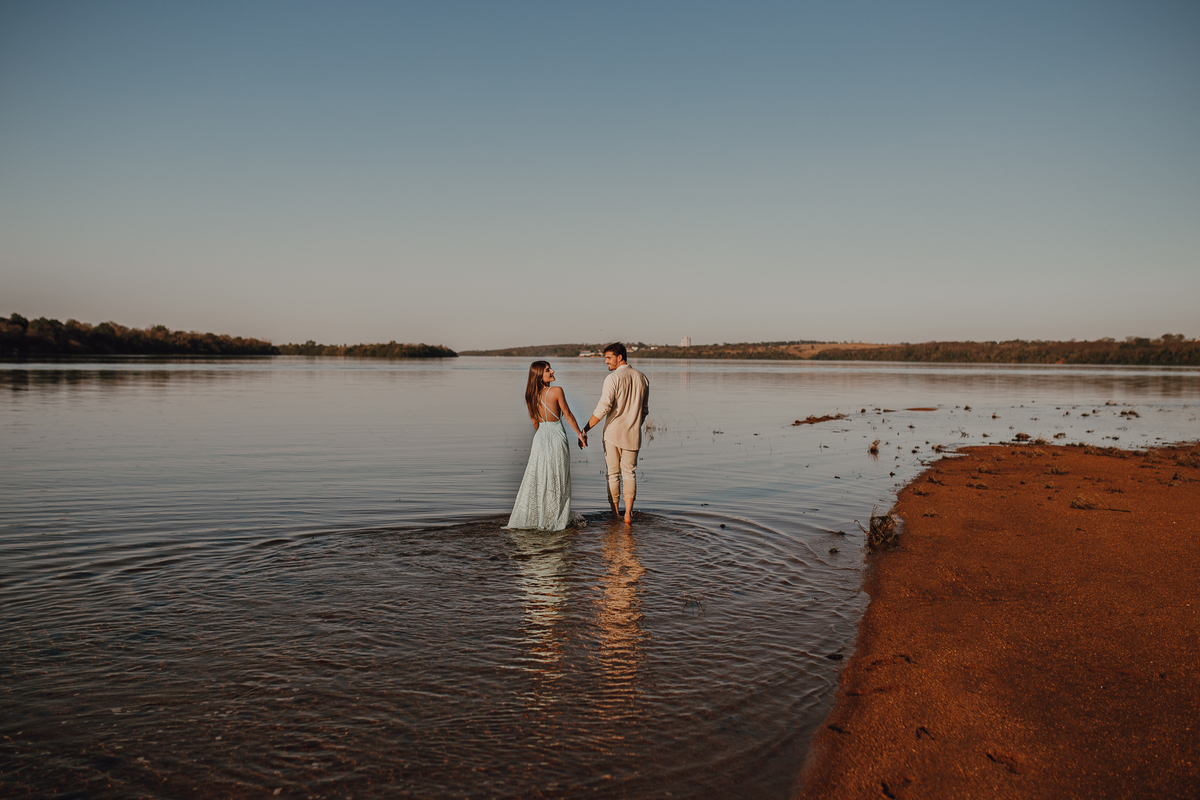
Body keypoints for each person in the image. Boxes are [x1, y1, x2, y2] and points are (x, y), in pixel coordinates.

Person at [503, 361, 586, 531]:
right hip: (556, 436)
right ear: (539, 375)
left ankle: (537, 518)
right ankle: (555, 518)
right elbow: (568, 415)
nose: (553, 371)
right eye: (548, 370)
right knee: (557, 477)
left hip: (540, 438)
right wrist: (580, 433)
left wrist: (542, 435)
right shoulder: (556, 391)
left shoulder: (530, 396)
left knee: (539, 478)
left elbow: (535, 422)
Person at [580, 343, 650, 524]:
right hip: (633, 434)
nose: (606, 361)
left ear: (620, 357)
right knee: (630, 474)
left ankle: (615, 514)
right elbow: (644, 410)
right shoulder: (642, 378)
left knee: (613, 474)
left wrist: (585, 429)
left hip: (613, 434)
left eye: (609, 358)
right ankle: (628, 514)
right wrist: (634, 424)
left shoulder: (613, 378)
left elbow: (603, 407)